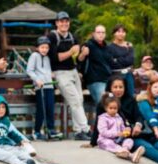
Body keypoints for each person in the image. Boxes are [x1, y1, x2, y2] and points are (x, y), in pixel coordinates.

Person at [96, 75, 158, 164]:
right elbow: (98, 123)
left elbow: (138, 116)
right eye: (115, 87)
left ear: (125, 88)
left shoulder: (130, 100)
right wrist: (93, 142)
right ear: (110, 88)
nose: (118, 90)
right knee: (146, 146)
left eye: (121, 87)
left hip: (138, 131)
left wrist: (138, 125)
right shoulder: (104, 104)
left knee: (154, 141)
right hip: (125, 136)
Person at [0, 94, 60, 164]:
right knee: (9, 156)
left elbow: (11, 133)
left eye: (3, 107)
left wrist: (20, 140)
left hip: (5, 145)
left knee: (22, 153)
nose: (1, 110)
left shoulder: (5, 121)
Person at [46, 12, 89, 140]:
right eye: (61, 21)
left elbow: (78, 59)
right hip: (60, 73)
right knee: (75, 101)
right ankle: (86, 129)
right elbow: (55, 58)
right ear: (57, 23)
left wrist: (83, 54)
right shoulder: (51, 37)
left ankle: (78, 131)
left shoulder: (72, 37)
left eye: (66, 21)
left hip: (73, 71)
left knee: (79, 100)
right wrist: (71, 51)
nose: (64, 24)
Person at [96, 94, 146, 162]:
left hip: (118, 140)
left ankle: (124, 151)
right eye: (111, 108)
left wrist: (126, 130)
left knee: (129, 140)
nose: (113, 110)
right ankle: (131, 155)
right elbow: (103, 132)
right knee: (109, 143)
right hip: (105, 140)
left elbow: (122, 127)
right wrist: (117, 134)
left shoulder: (118, 117)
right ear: (106, 108)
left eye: (115, 108)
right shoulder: (103, 118)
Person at [26, 36, 57, 141]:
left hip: (49, 86)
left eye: (46, 48)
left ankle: (50, 129)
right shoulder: (34, 56)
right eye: (42, 47)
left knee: (50, 108)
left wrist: (51, 75)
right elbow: (29, 70)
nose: (44, 50)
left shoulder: (47, 58)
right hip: (40, 87)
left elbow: (47, 71)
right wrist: (37, 80)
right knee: (41, 109)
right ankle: (37, 131)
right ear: (37, 48)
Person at [80, 24, 113, 117]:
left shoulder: (107, 47)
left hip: (107, 79)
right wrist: (83, 54)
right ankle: (102, 124)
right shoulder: (88, 45)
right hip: (95, 80)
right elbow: (80, 60)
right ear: (93, 34)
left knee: (111, 103)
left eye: (103, 32)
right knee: (103, 104)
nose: (101, 34)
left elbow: (111, 63)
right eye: (98, 32)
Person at [107, 25, 136, 97]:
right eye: (118, 31)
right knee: (116, 96)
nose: (121, 33)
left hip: (129, 74)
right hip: (116, 75)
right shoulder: (109, 47)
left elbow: (131, 60)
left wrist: (117, 59)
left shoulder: (129, 45)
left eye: (123, 32)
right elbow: (112, 63)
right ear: (114, 33)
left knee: (130, 96)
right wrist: (125, 59)